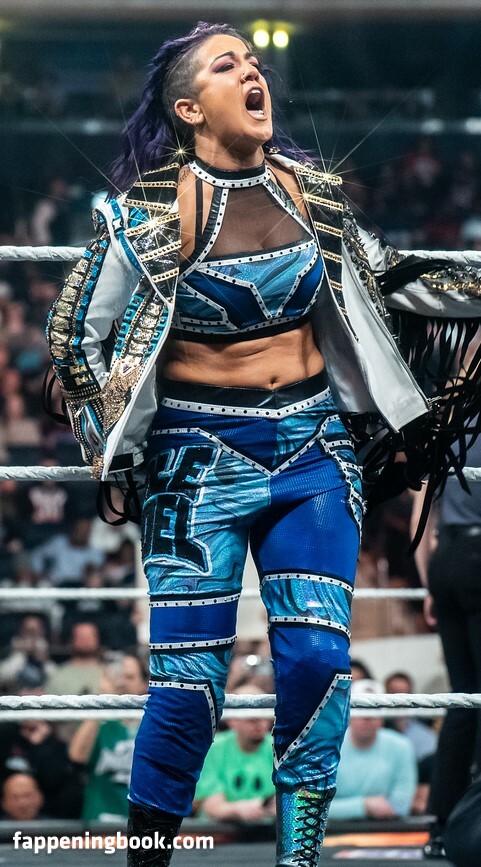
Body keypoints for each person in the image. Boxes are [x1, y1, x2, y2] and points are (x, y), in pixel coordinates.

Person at [45, 21, 481, 867]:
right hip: (195, 462)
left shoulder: (310, 194)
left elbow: (390, 276)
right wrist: (116, 448)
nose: (253, 73)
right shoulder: (148, 213)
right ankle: (146, 860)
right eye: (227, 65)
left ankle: (298, 860)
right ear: (188, 108)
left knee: (317, 662)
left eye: (253, 61)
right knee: (187, 691)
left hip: (313, 452)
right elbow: (74, 335)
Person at [412, 435, 481, 859]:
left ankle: (440, 826)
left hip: (445, 560)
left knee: (462, 698)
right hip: (476, 553)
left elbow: (421, 512)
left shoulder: (449, 429)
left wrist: (429, 585)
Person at [69, 652, 148, 824]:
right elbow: (77, 756)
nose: (122, 682)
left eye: (129, 677)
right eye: (117, 676)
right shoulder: (99, 723)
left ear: (144, 683)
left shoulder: (154, 726)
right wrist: (101, 701)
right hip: (100, 822)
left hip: (143, 823)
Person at [329, 680, 417, 821]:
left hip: (385, 829)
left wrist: (346, 807)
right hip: (334, 830)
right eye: (360, 708)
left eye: (374, 708)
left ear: (383, 716)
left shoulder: (402, 746)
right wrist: (365, 805)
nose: (367, 717)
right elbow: (315, 807)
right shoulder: (328, 746)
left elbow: (401, 806)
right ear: (347, 713)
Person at [194, 684, 275, 821]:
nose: (260, 725)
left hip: (268, 830)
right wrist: (238, 809)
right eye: (252, 720)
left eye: (264, 718)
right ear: (232, 721)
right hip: (218, 830)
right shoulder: (213, 749)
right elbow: (212, 806)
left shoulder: (279, 748)